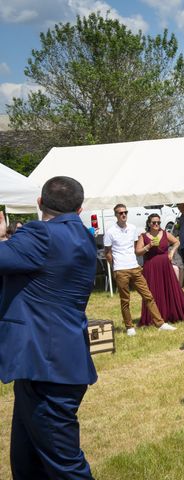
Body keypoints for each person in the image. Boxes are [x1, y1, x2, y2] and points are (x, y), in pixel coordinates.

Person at [0, 176, 97, 479]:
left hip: (46, 366)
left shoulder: (41, 235)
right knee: (27, 462)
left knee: (65, 467)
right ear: (79, 209)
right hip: (50, 363)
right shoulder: (83, 237)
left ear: (39, 203)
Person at [104, 204, 176, 336]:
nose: (124, 215)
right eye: (120, 213)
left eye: (125, 212)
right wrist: (115, 267)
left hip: (135, 267)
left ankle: (160, 323)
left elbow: (135, 248)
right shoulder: (110, 232)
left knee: (148, 295)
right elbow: (107, 252)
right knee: (125, 300)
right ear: (116, 215)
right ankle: (129, 326)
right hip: (120, 269)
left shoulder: (132, 228)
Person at [135, 214, 184, 325]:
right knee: (153, 291)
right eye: (154, 222)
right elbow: (137, 252)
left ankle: (171, 313)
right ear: (149, 223)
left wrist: (172, 252)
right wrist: (148, 246)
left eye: (158, 223)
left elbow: (177, 242)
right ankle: (155, 316)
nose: (156, 224)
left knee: (168, 289)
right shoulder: (143, 236)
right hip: (151, 267)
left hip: (165, 265)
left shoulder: (165, 233)